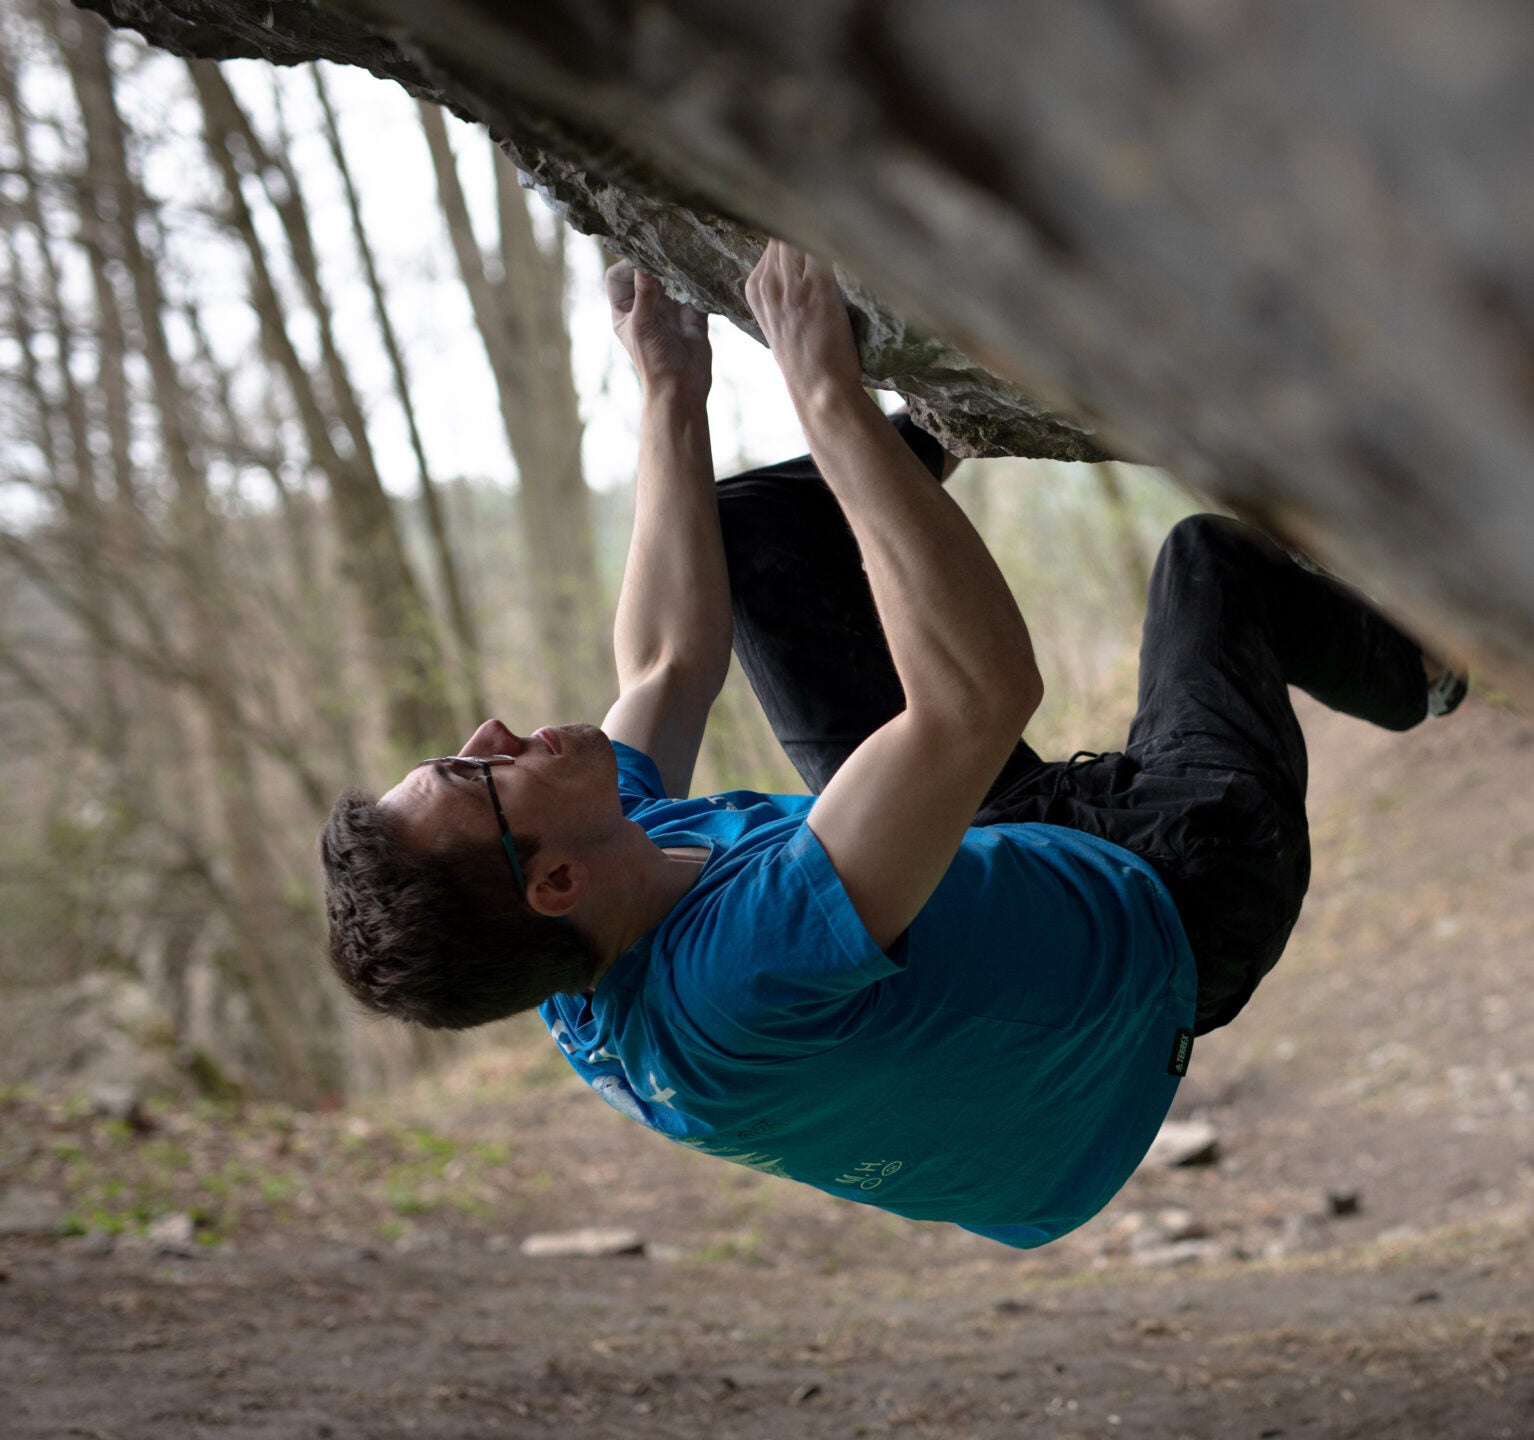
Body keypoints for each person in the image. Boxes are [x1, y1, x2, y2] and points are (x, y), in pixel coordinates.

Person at [319, 242, 1463, 1247]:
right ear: (554, 879)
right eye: (478, 772)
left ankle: (961, 411)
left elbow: (667, 662)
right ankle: (1422, 669)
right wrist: (825, 392)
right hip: (1171, 916)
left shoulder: (579, 913)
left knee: (757, 543)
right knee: (1211, 567)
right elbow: (977, 698)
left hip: (984, 867)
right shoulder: (739, 975)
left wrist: (670, 386)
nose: (490, 733)